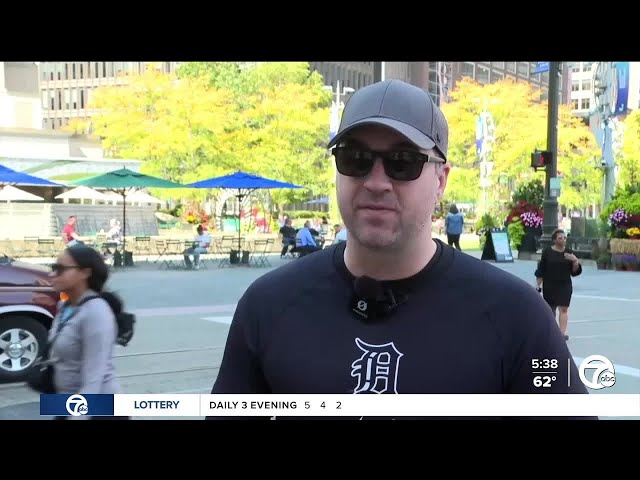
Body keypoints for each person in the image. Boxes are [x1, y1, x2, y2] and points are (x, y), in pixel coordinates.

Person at [208, 79, 593, 420]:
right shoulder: (268, 305)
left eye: (402, 162)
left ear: (441, 180)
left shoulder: (517, 317)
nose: (376, 182)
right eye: (355, 158)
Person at [48, 245, 128, 420]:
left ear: (84, 272)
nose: (52, 274)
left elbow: (94, 377)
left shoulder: (96, 312)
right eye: (53, 268)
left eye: (60, 269)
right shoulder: (65, 306)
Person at [535, 228, 582, 341]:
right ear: (554, 240)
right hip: (550, 284)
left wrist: (575, 261)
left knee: (564, 309)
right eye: (560, 238)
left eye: (564, 238)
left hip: (565, 284)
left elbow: (574, 272)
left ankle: (561, 334)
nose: (563, 240)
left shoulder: (568, 252)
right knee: (550, 310)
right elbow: (541, 269)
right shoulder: (547, 252)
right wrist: (538, 285)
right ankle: (552, 332)